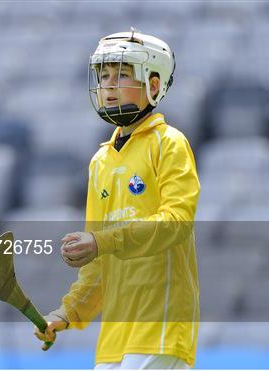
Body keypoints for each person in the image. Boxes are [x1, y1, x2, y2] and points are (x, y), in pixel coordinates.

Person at [34, 28, 201, 369]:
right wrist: (68, 312)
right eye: (104, 75)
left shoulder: (169, 144)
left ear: (153, 85)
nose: (108, 84)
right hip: (114, 341)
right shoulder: (100, 162)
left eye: (122, 74)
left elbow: (176, 224)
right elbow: (99, 265)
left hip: (160, 328)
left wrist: (101, 241)